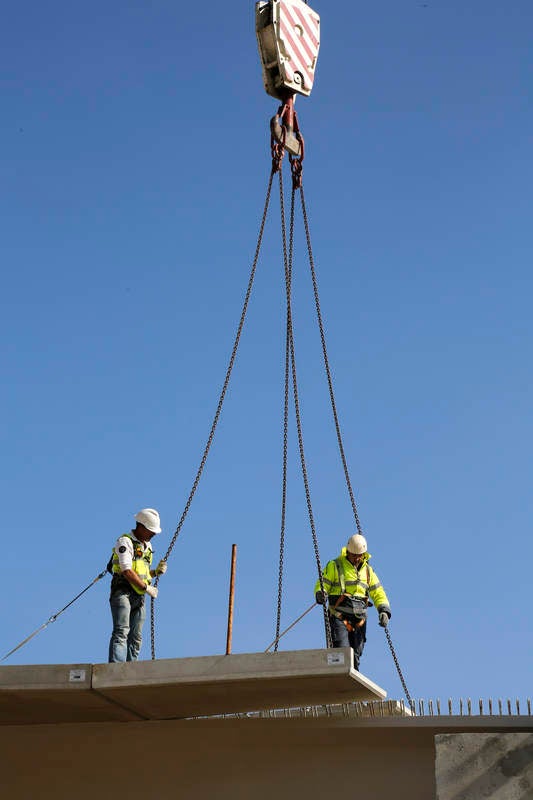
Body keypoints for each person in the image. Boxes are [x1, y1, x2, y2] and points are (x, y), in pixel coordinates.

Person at [314, 533, 391, 671]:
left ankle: (351, 681)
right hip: (339, 616)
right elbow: (323, 583)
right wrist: (321, 592)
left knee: (356, 654)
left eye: (359, 555)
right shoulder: (335, 566)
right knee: (342, 652)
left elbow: (378, 592)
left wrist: (384, 610)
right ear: (348, 552)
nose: (356, 558)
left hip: (359, 619)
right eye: (354, 555)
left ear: (363, 554)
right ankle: (339, 679)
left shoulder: (368, 571)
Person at [108, 508, 168, 663]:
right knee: (122, 631)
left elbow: (141, 573)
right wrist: (147, 588)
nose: (153, 534)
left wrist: (155, 572)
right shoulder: (125, 542)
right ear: (141, 526)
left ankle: (131, 668)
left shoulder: (147, 547)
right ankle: (116, 668)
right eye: (151, 530)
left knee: (136, 638)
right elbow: (127, 571)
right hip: (123, 592)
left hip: (139, 596)